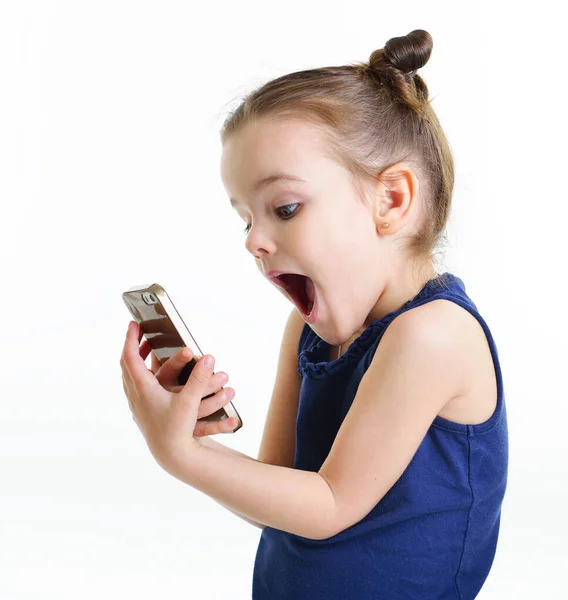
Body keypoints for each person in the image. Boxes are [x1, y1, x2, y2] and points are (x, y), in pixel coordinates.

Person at [121, 29, 508, 600]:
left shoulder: (434, 336)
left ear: (391, 199)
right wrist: (199, 444)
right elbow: (283, 500)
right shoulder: (305, 328)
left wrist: (177, 455)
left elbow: (329, 505)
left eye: (285, 208)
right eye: (246, 218)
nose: (254, 240)